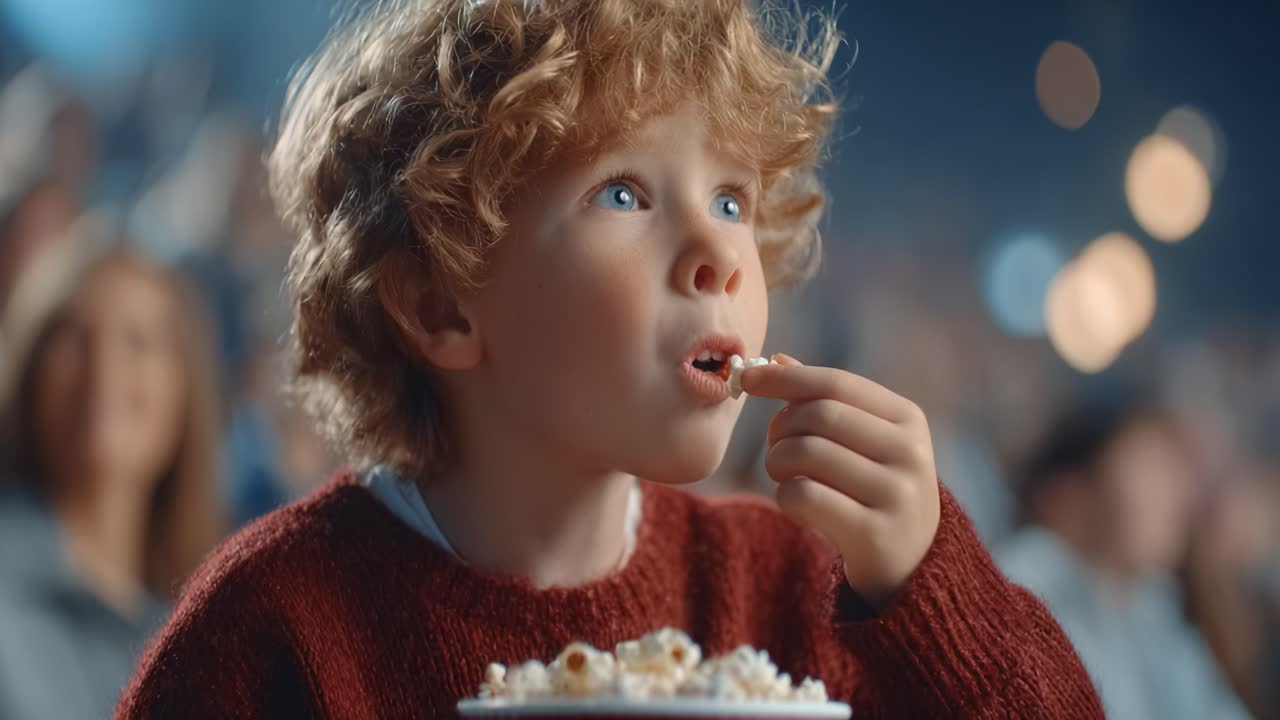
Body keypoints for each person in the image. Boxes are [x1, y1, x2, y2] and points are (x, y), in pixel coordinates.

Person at [118, 0, 1102, 716]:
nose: (720, 254)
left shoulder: (790, 590)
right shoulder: (274, 629)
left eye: (731, 200)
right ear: (440, 304)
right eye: (624, 193)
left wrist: (932, 590)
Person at [0, 234, 227, 719]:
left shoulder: (207, 626)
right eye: (73, 337)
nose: (106, 366)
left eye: (139, 341)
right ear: (30, 372)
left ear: (185, 392)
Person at [997, 397, 1251, 720]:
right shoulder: (1025, 589)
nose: (1179, 495)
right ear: (1072, 494)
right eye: (1149, 468)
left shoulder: (1149, 602)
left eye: (1174, 472)